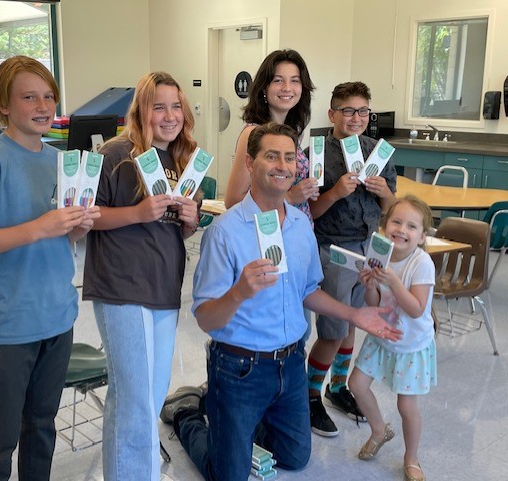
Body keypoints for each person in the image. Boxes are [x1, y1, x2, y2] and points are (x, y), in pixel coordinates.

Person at [160, 122, 402, 481]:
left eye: (290, 158)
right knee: (229, 474)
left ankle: (238, 423)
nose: (282, 166)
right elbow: (206, 319)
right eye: (271, 156)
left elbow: (308, 291)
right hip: (238, 368)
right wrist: (239, 290)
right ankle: (187, 414)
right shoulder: (225, 232)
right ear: (249, 163)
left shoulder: (300, 226)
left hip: (290, 365)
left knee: (295, 457)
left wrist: (355, 314)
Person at [0, 56, 100, 480]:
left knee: (41, 429)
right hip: (9, 326)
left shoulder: (60, 161)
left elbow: (57, 238)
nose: (43, 105)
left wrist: (75, 229)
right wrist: (37, 227)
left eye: (49, 95)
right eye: (29, 96)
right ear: (3, 105)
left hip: (56, 318)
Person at [82, 71, 200, 481]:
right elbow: (84, 215)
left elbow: (181, 229)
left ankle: (142, 472)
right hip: (121, 287)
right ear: (141, 110)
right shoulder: (116, 154)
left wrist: (190, 219)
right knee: (132, 399)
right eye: (158, 106)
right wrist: (136, 213)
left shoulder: (185, 159)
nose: (169, 116)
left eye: (176, 106)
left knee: (149, 398)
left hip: (165, 286)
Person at [307, 81, 397, 437]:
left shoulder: (378, 152)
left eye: (363, 111)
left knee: (354, 323)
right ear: (332, 114)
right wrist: (335, 191)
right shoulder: (317, 153)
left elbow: (391, 209)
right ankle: (311, 394)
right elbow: (308, 211)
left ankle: (338, 386)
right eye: (348, 110)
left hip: (369, 248)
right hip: (332, 247)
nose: (356, 117)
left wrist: (384, 193)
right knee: (331, 329)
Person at [349, 195, 436, 481]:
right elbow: (373, 303)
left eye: (412, 226)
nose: (402, 230)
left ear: (422, 236)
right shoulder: (379, 255)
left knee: (406, 405)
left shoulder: (421, 263)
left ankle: (412, 457)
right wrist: (371, 284)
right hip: (381, 334)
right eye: (396, 222)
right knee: (357, 385)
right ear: (385, 226)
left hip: (410, 343)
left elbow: (416, 308)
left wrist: (395, 283)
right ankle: (378, 430)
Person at [223, 49, 320, 222]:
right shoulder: (252, 133)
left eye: (295, 81)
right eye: (278, 80)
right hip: (269, 233)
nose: (287, 88)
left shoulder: (291, 131)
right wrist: (290, 198)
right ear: (264, 88)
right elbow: (233, 200)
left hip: (295, 229)